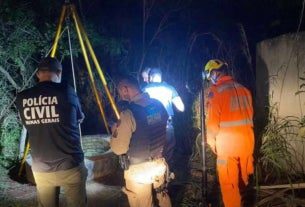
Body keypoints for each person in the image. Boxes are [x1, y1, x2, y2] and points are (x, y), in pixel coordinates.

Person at [16, 57, 87, 207]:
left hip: (41, 168)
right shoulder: (67, 92)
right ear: (59, 72)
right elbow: (80, 118)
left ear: (37, 74)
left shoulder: (22, 98)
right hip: (70, 165)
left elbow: (29, 124)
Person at [110, 75, 171, 207]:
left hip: (138, 171)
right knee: (161, 198)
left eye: (120, 91)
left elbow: (118, 149)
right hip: (159, 164)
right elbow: (164, 130)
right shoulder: (158, 105)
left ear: (125, 89)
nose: (120, 95)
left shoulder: (128, 114)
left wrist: (115, 130)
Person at [204, 59, 254, 207]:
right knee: (243, 180)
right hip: (247, 143)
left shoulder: (216, 92)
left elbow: (213, 123)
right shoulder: (244, 89)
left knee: (229, 185)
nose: (210, 80)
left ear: (214, 73)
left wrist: (211, 142)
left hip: (228, 147)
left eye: (209, 75)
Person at [143, 68, 184, 166]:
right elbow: (181, 108)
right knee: (167, 152)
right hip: (167, 123)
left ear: (151, 77)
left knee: (153, 153)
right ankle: (167, 173)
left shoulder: (144, 89)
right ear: (160, 77)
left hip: (151, 123)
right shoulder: (170, 88)